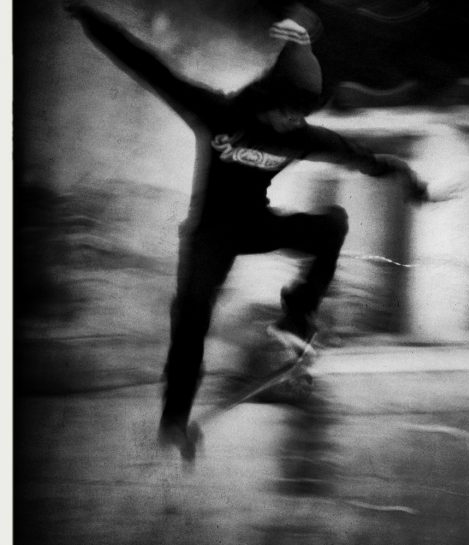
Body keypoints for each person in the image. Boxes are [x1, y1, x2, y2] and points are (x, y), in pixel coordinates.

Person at [66, 1, 427, 450]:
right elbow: (151, 69)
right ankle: (174, 419)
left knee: (332, 225)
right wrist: (90, 19)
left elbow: (365, 160)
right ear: (268, 96)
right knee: (191, 320)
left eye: (301, 114)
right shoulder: (219, 114)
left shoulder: (303, 137)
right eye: (286, 111)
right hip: (209, 238)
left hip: (256, 225)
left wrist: (413, 182)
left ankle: (297, 315)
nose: (292, 122)